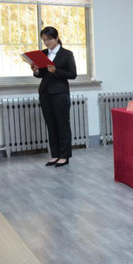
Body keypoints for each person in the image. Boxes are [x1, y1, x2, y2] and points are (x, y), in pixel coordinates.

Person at [32, 26, 77, 167]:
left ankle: (64, 156)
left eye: (49, 39)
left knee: (62, 124)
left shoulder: (67, 54)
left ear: (57, 38)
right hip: (45, 93)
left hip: (60, 93)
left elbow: (72, 74)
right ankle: (55, 155)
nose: (47, 43)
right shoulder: (43, 53)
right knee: (50, 125)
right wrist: (36, 71)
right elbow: (41, 75)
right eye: (44, 40)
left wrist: (55, 71)